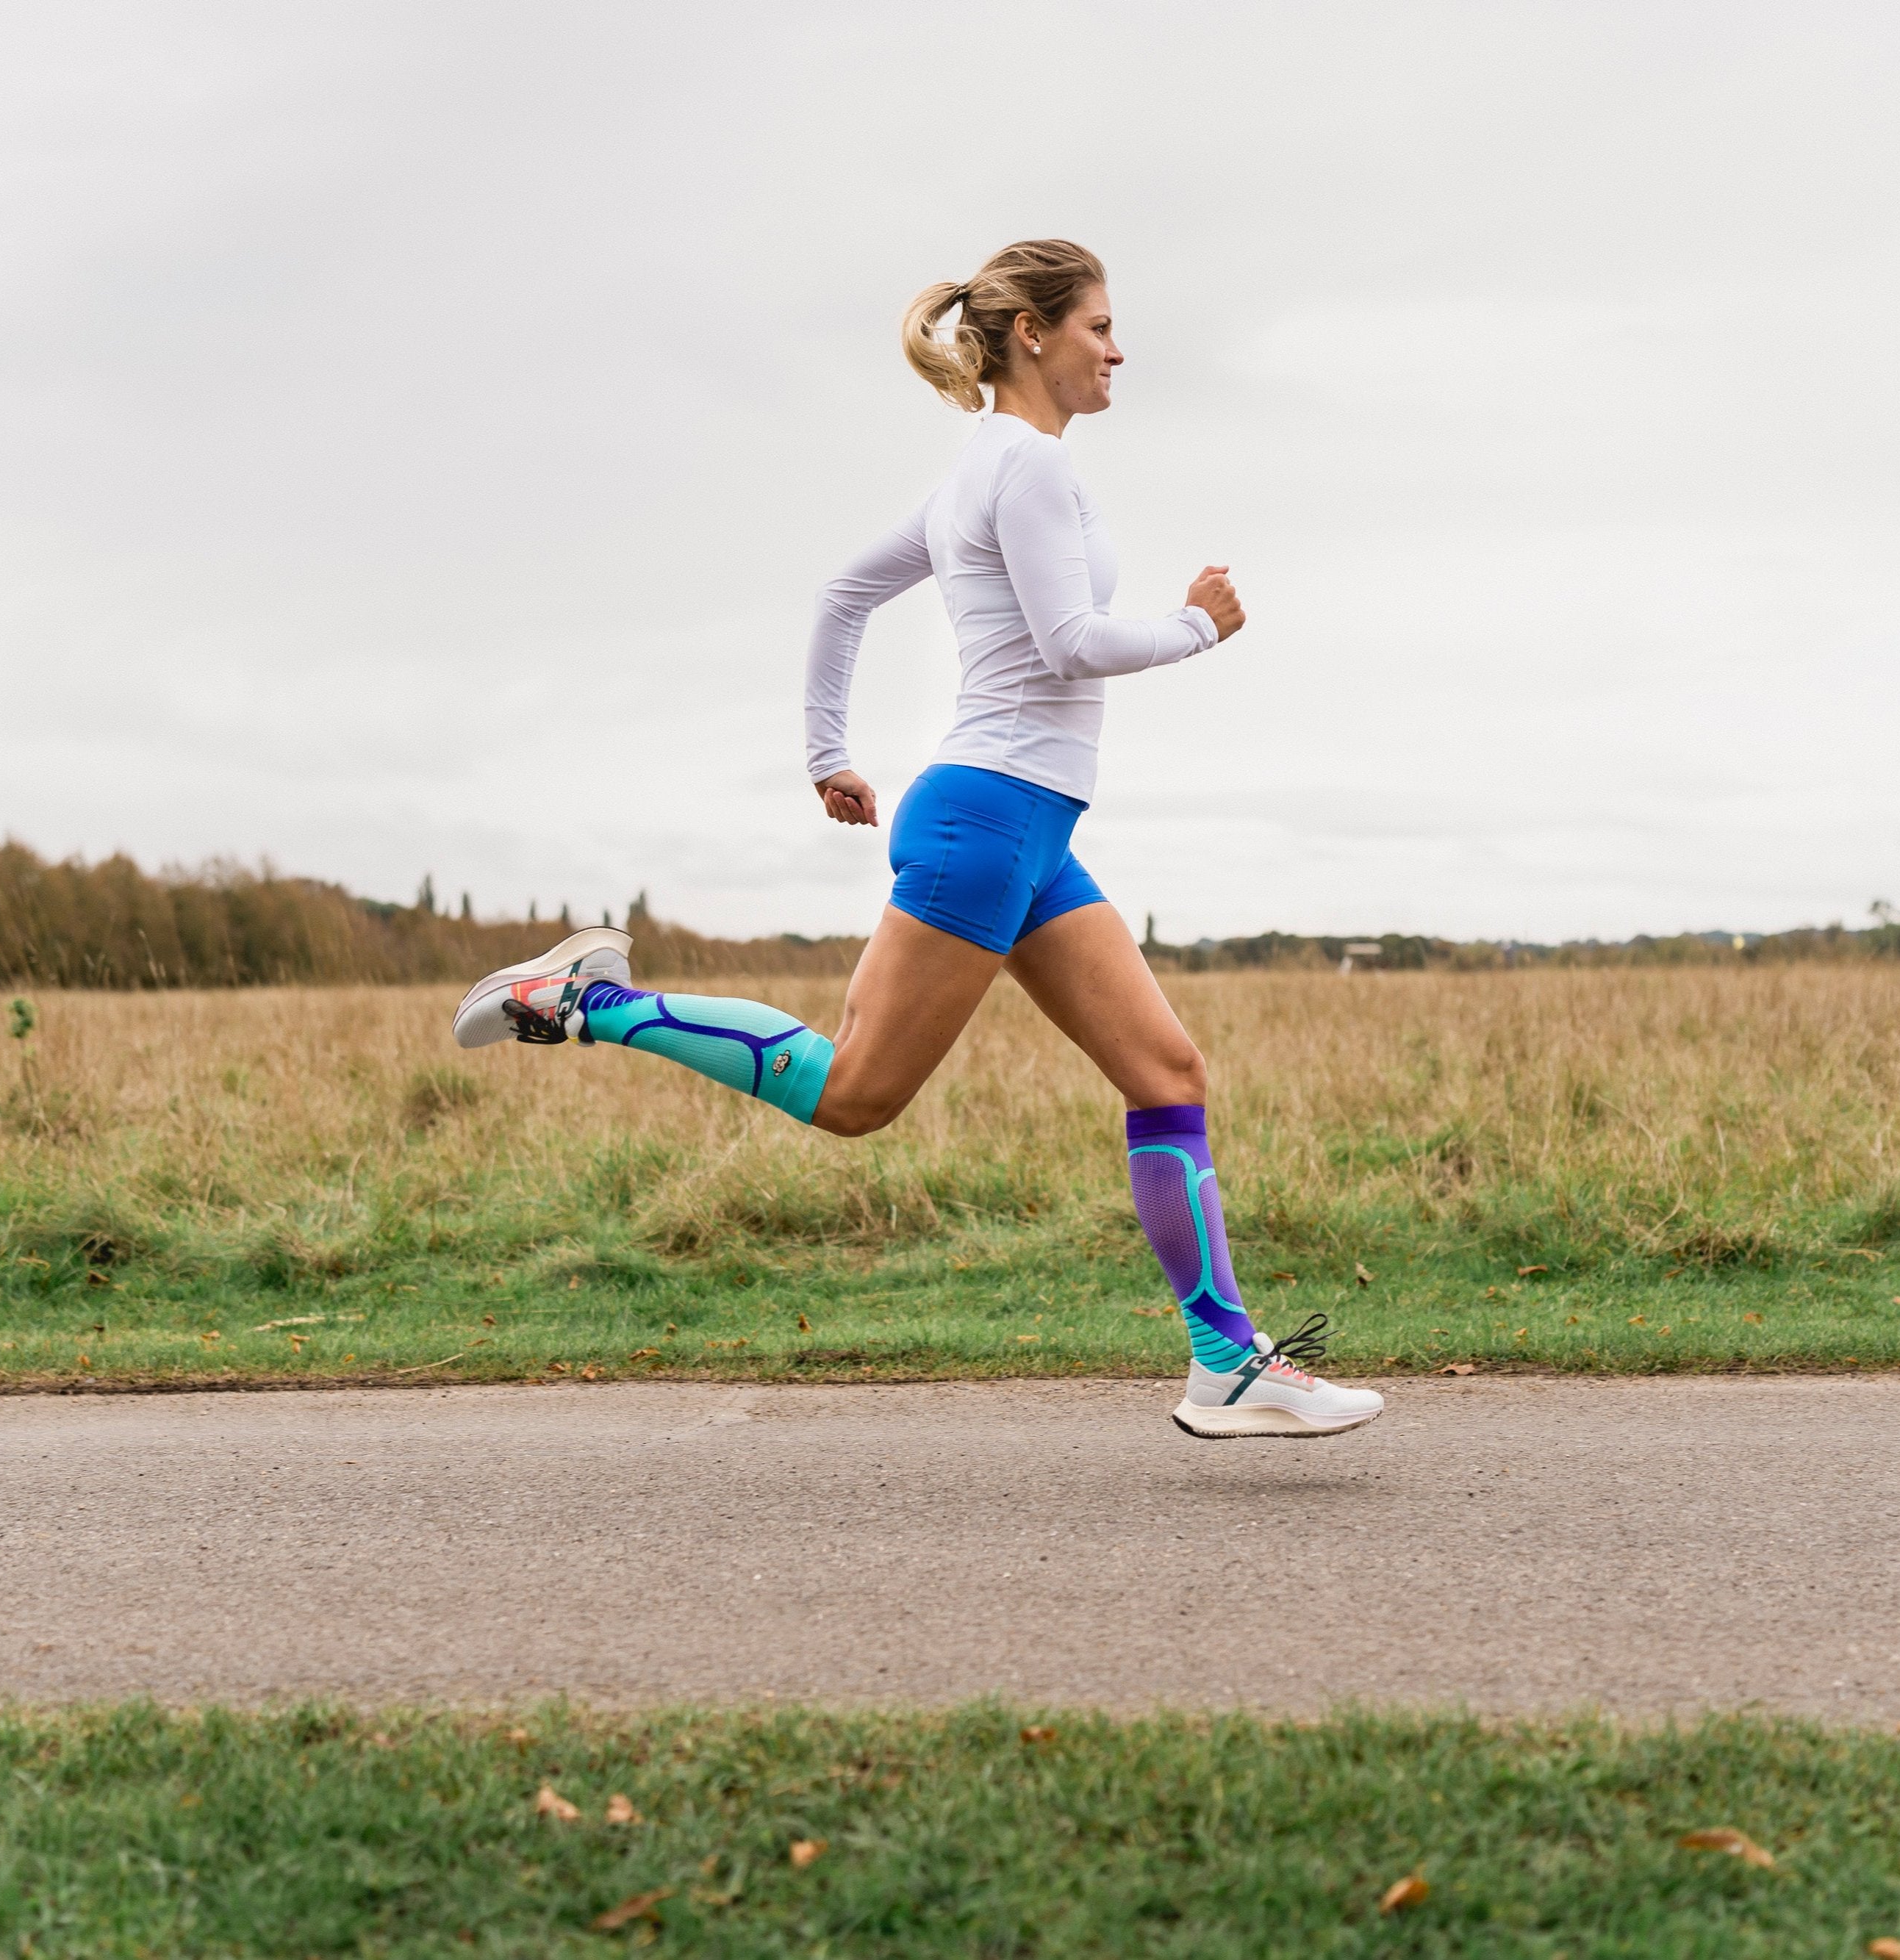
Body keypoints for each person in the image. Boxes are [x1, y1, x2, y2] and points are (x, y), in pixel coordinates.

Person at [453, 239, 1381, 1440]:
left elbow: (845, 592)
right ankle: (589, 1002)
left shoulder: (986, 469)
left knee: (1168, 1074)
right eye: (1098, 325)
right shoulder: (1025, 470)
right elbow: (1068, 643)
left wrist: (827, 752)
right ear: (1033, 336)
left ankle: (1227, 1364)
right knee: (854, 1094)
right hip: (989, 820)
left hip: (1029, 827)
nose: (1117, 348)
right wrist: (1197, 628)